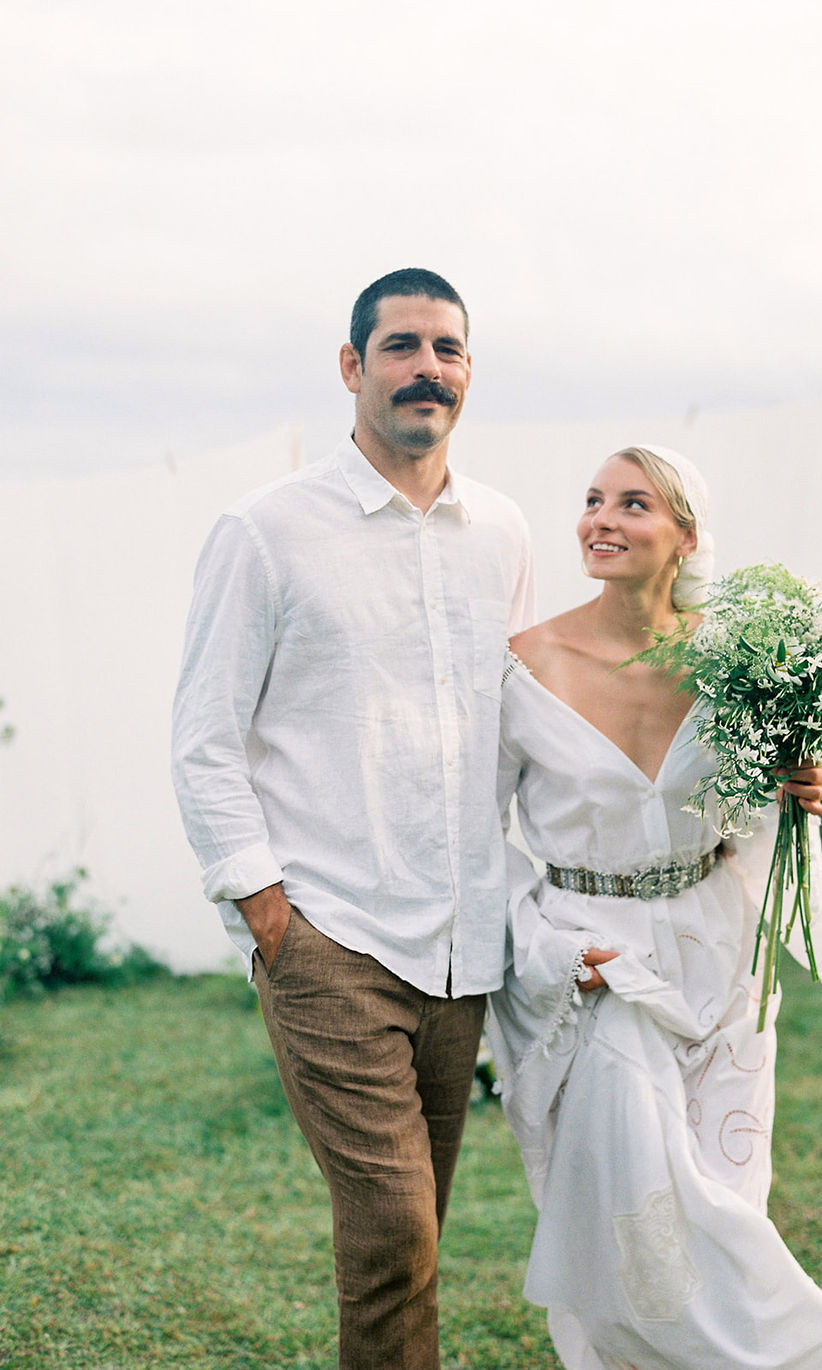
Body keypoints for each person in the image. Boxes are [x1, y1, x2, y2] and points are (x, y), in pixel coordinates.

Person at [171, 268, 533, 1370]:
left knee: (418, 1228)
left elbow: (529, 725)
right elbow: (204, 736)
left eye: (449, 348)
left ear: (468, 372)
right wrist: (271, 917)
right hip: (331, 938)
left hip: (464, 946)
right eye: (402, 346)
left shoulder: (501, 532)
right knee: (393, 1233)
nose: (429, 367)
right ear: (351, 366)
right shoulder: (267, 530)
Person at [487, 444, 822, 1369]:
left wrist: (795, 784)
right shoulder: (521, 663)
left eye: (633, 504)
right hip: (590, 964)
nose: (602, 520)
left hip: (717, 952)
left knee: (724, 1193)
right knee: (641, 1208)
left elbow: (745, 811)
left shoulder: (740, 666)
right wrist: (546, 950)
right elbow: (480, 837)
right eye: (592, 501)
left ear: (686, 537)